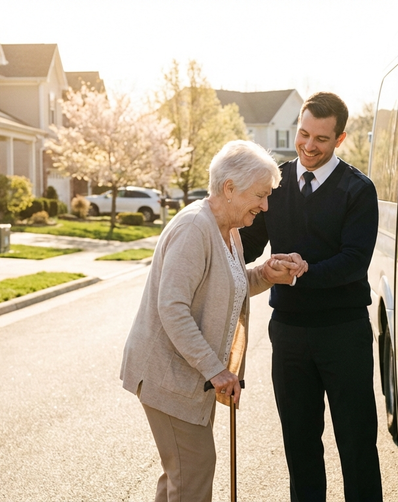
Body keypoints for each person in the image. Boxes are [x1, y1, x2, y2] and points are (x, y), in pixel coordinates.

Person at [120, 140, 305, 502]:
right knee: (194, 473)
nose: (265, 206)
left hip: (189, 380)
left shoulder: (228, 230)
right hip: (168, 377)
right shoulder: (195, 229)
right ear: (229, 188)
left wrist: (267, 273)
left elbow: (230, 285)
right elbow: (172, 307)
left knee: (182, 478)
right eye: (260, 195)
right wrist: (215, 370)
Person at [240, 92, 382, 501]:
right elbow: (246, 244)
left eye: (321, 138)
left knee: (356, 446)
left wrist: (303, 272)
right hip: (288, 335)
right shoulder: (274, 184)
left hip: (344, 334)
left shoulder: (358, 190)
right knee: (300, 447)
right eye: (304, 133)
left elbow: (354, 262)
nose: (308, 145)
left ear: (339, 139)